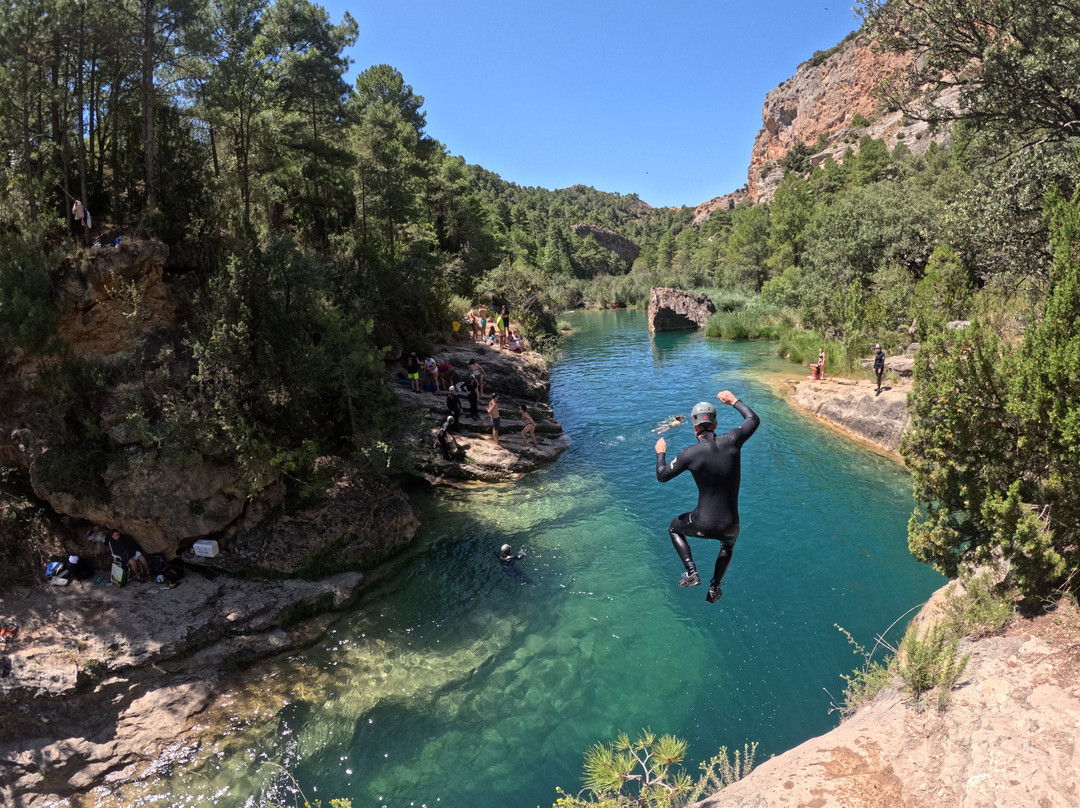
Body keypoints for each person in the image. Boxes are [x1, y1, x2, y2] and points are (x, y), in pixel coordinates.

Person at [655, 390, 760, 604]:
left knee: (674, 528)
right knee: (727, 545)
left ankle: (691, 572)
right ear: (716, 424)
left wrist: (660, 452)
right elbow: (752, 419)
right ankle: (714, 587)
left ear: (694, 428)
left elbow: (662, 475)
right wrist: (733, 401)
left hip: (702, 521)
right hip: (731, 525)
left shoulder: (689, 454)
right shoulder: (732, 440)